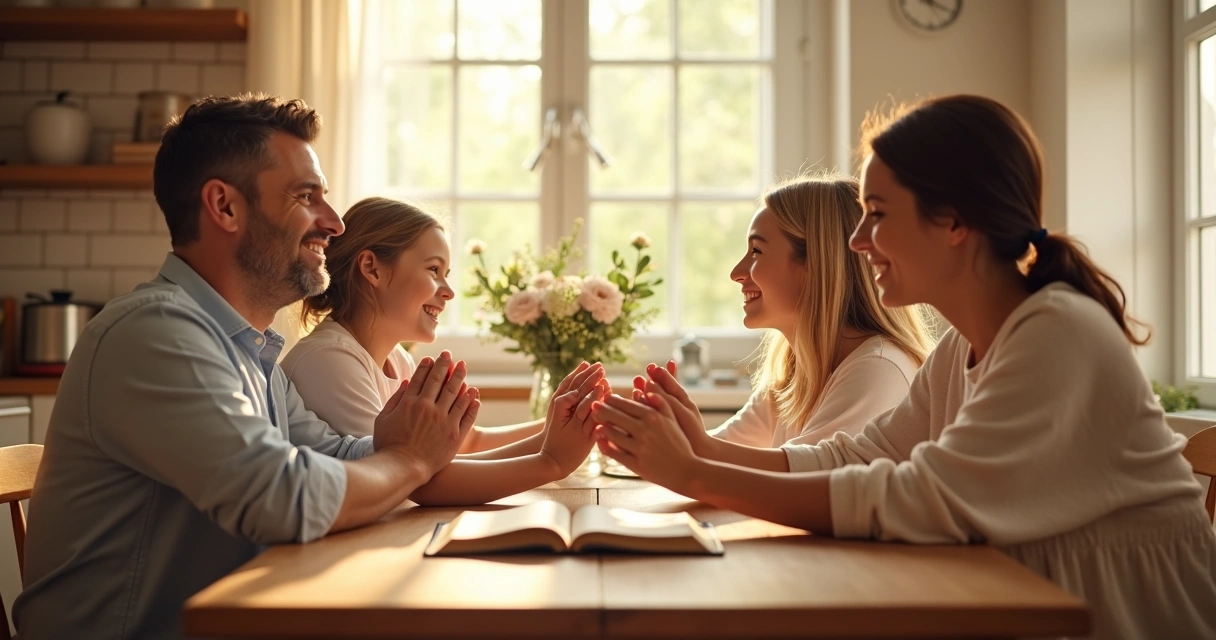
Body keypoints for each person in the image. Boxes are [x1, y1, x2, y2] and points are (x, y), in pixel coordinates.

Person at [594, 95, 1216, 640]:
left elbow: (923, 498)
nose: (857, 241)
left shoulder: (1058, 332)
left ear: (954, 222)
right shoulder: (960, 347)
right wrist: (703, 453)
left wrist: (697, 472)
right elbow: (859, 457)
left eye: (878, 213)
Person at [14, 94, 487, 640]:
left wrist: (406, 441)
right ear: (225, 207)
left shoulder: (249, 349)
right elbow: (282, 498)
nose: (334, 223)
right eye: (306, 197)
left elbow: (329, 455)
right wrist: (409, 458)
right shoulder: (155, 332)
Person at [281, 196, 604, 504]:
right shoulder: (329, 360)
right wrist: (551, 461)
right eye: (433, 270)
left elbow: (463, 445)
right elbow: (412, 477)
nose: (449, 292)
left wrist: (567, 424)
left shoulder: (396, 359)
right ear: (372, 269)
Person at [631, 174, 932, 472]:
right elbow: (719, 453)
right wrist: (665, 429)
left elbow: (801, 484)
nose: (736, 272)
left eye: (757, 251)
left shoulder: (877, 369)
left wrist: (688, 444)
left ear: (816, 265)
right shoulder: (797, 368)